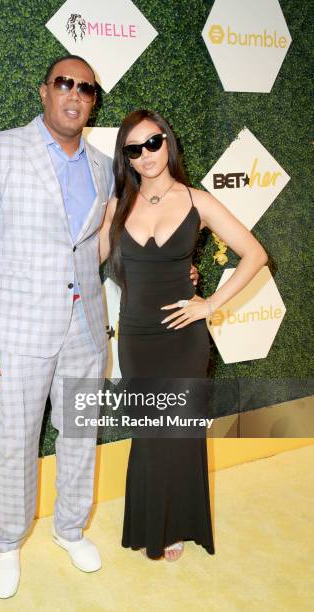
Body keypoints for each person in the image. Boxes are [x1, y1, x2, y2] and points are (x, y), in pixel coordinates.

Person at [0, 57, 199, 597]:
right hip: (18, 330)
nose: (74, 94)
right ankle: (8, 542)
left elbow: (110, 242)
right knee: (16, 438)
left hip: (86, 327)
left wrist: (176, 267)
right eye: (64, 83)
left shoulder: (100, 166)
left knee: (79, 434)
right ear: (45, 91)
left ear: (93, 101)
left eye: (86, 88)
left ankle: (68, 529)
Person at [99, 109, 268, 561]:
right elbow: (87, 260)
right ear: (127, 159)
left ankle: (177, 524)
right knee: (151, 434)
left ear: (167, 142)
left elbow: (254, 254)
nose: (146, 155)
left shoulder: (198, 201)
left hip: (184, 338)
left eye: (152, 143)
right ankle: (155, 523)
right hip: (137, 337)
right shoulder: (116, 207)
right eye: (134, 150)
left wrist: (209, 304)